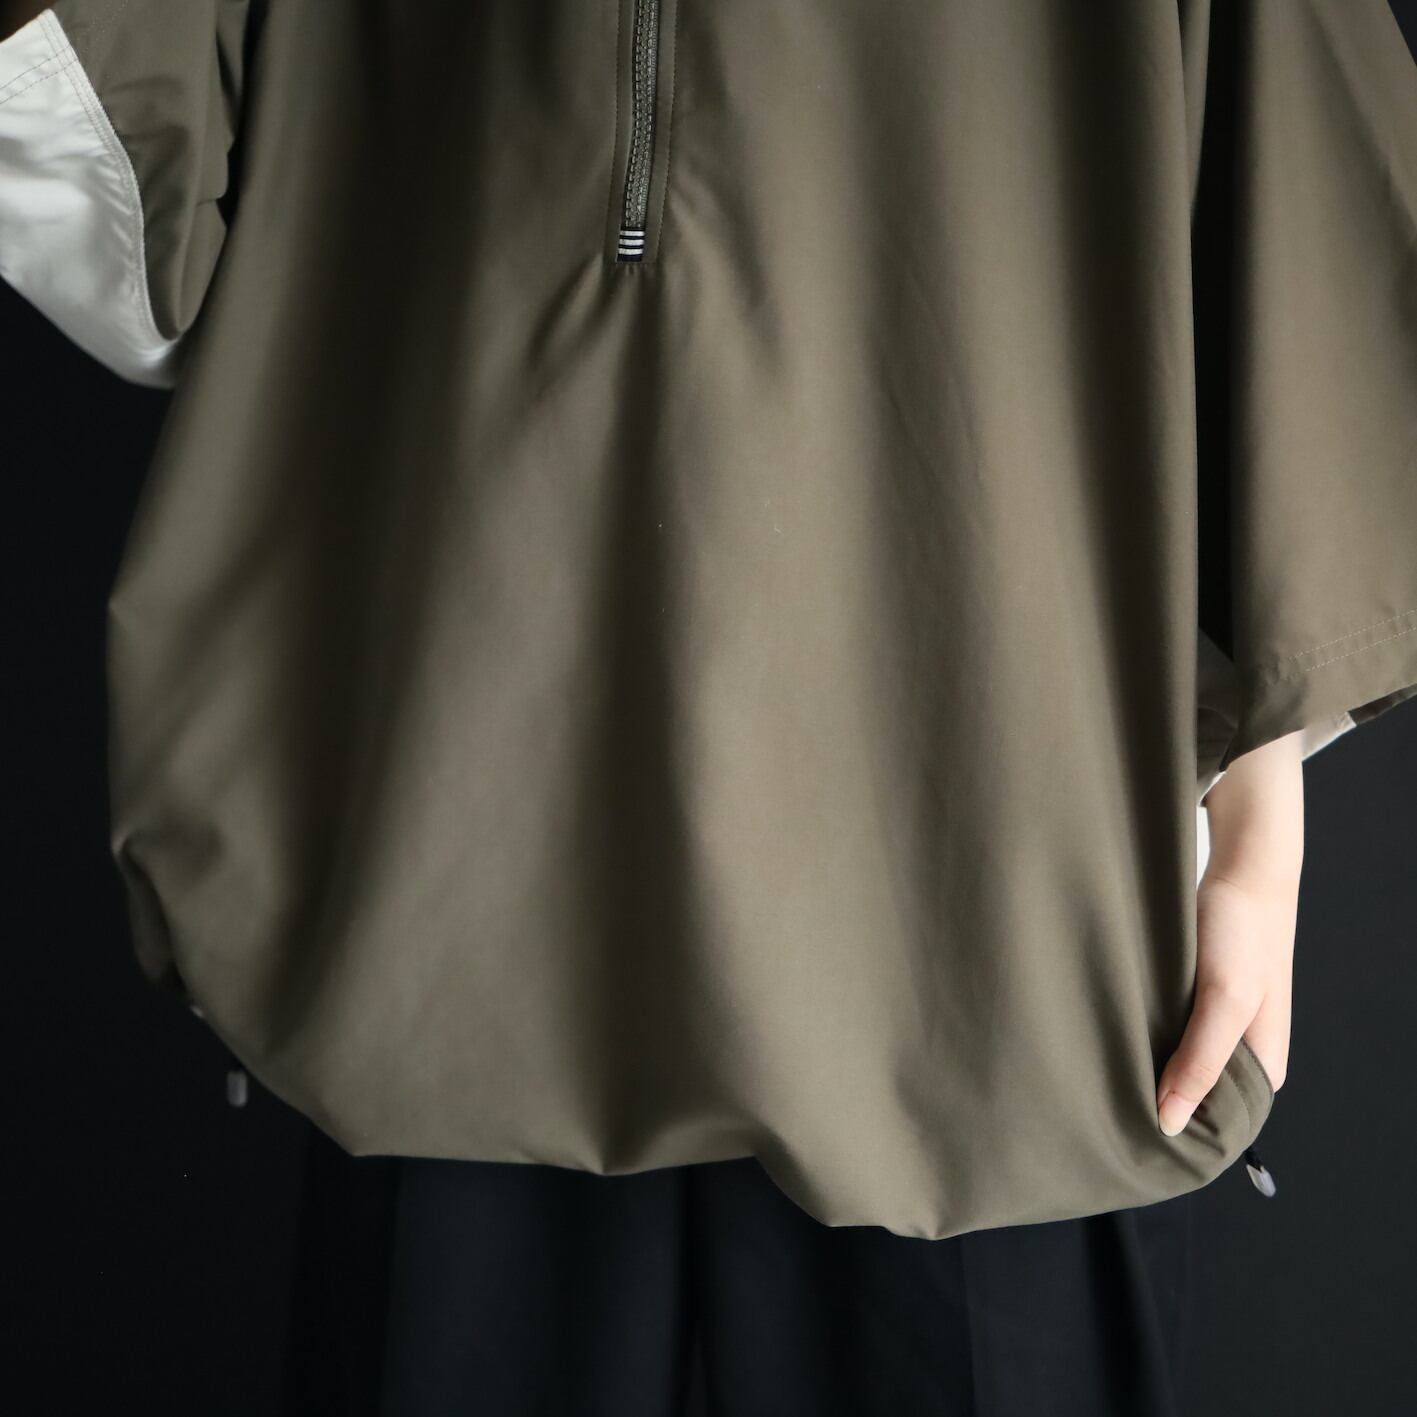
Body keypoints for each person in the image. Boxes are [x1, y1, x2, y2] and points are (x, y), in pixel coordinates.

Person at [3, 1, 1415, 1411]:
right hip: (446, 853)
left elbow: (1273, 131)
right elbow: (135, 184)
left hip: (997, 879)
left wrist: (1261, 768)